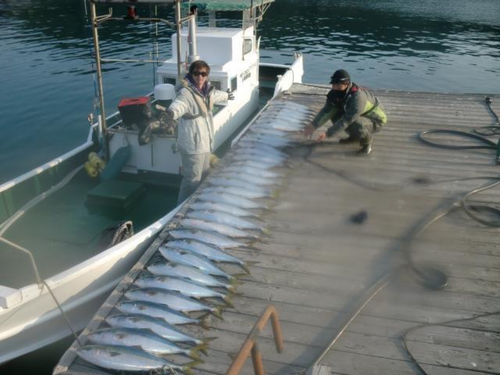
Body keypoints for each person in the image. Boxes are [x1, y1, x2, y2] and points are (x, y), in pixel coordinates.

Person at [163, 60, 233, 204]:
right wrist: (170, 113)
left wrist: (227, 95)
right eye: (196, 73)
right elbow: (179, 105)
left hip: (205, 142)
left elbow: (216, 95)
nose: (200, 77)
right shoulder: (186, 93)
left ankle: (197, 202)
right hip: (192, 145)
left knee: (205, 173)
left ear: (207, 76)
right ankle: (179, 208)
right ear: (191, 74)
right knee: (191, 180)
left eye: (203, 73)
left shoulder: (207, 91)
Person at [304, 69, 387, 155]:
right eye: (333, 84)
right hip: (360, 115)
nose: (335, 87)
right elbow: (327, 111)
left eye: (338, 85)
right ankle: (354, 137)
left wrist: (328, 133)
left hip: (376, 120)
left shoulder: (358, 98)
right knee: (335, 115)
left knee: (354, 122)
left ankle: (367, 142)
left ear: (346, 84)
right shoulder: (335, 94)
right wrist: (313, 125)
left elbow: (347, 120)